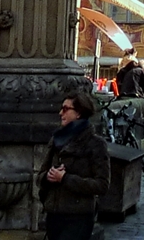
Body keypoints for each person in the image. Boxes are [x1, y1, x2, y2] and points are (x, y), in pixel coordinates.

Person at [37, 91, 110, 240]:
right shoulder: (56, 139)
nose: (60, 113)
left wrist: (65, 178)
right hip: (54, 214)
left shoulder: (95, 143)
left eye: (65, 109)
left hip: (79, 217)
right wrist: (49, 176)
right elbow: (40, 176)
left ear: (78, 113)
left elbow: (102, 184)